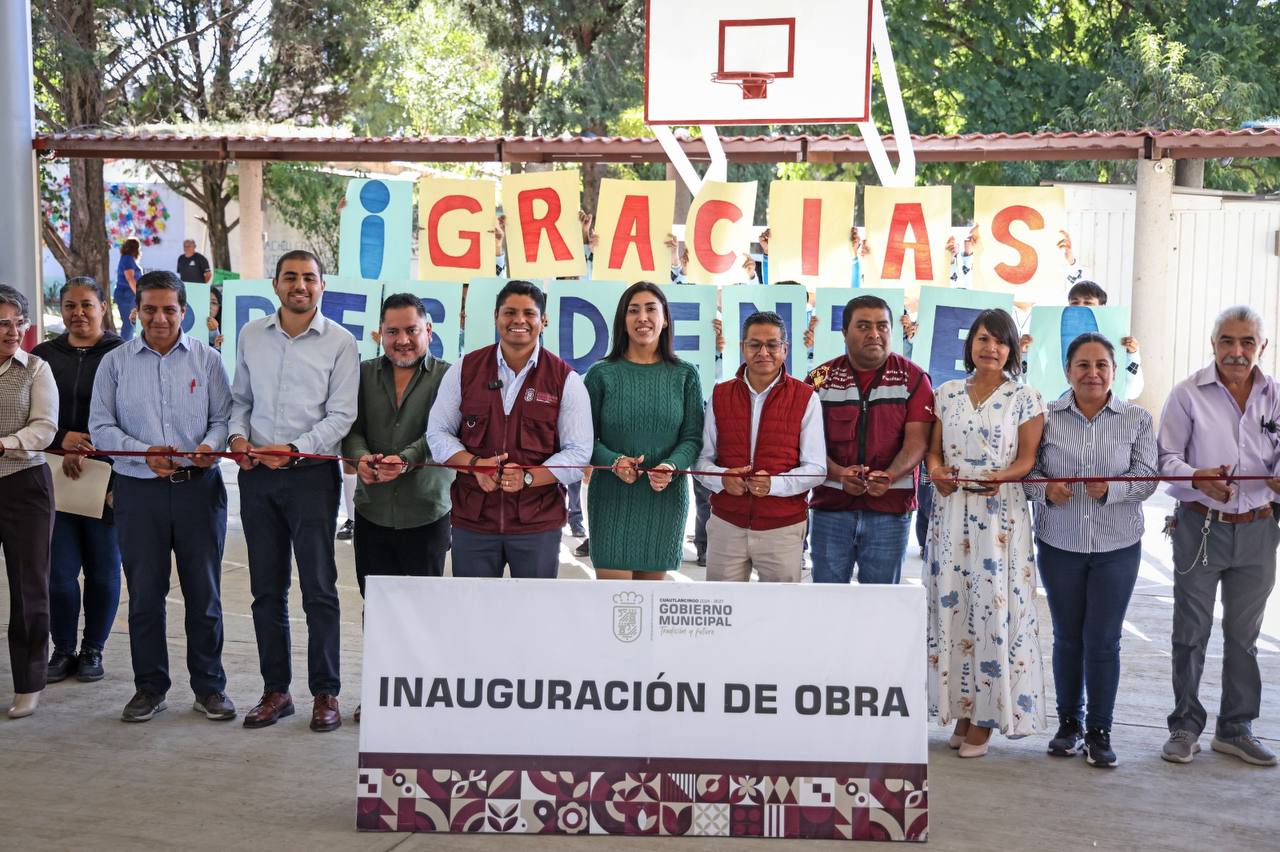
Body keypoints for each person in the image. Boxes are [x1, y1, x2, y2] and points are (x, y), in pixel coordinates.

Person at [88, 271, 235, 724]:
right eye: (149, 308)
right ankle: (149, 688)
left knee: (204, 596)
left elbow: (223, 417)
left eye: (169, 308)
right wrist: (143, 452)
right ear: (136, 311)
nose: (159, 317)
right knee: (146, 596)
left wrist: (210, 447)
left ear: (184, 311)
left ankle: (209, 687)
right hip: (137, 493)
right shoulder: (114, 363)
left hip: (198, 492)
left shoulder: (208, 360)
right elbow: (101, 426)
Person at [229, 249, 359, 732]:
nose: (299, 285)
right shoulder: (250, 335)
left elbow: (341, 415)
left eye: (309, 278)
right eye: (290, 277)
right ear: (275, 284)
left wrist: (295, 449)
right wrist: (237, 438)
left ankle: (325, 693)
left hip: (310, 476)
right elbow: (239, 399)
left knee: (320, 590)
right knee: (266, 590)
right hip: (257, 476)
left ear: (322, 286)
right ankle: (276, 691)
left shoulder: (341, 343)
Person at [1024, 333, 1158, 768]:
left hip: (1117, 547)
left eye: (1102, 365)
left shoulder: (1136, 419)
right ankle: (1069, 724)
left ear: (1114, 372)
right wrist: (1047, 491)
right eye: (1083, 365)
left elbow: (1148, 479)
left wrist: (1112, 491)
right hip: (1060, 544)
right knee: (1066, 638)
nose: (1093, 373)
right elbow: (1028, 473)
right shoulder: (1045, 417)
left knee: (1103, 641)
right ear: (1068, 370)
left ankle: (1100, 731)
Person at [1156, 305, 1280, 767]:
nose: (1236, 351)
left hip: (1260, 528)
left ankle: (1236, 727)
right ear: (1213, 344)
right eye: (1227, 341)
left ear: (1261, 347)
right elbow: (1165, 457)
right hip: (1200, 526)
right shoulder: (1187, 394)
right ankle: (1185, 725)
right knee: (1190, 632)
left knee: (1244, 636)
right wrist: (1195, 478)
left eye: (1247, 342)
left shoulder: (1276, 395)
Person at [925, 308, 1047, 758]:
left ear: (1012, 348)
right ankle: (960, 708)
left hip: (1000, 516)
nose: (990, 347)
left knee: (994, 608)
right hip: (952, 509)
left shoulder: (1026, 397)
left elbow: (1028, 458)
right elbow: (933, 452)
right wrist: (937, 471)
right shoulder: (947, 392)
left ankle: (987, 717)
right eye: (982, 338)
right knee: (955, 606)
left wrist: (1001, 475)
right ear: (970, 344)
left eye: (999, 341)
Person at [426, 280, 591, 579]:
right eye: (509, 312)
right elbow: (437, 433)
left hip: (537, 526)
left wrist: (528, 477)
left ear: (543, 320)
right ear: (496, 316)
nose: (519, 320)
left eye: (529, 313)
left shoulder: (565, 379)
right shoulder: (465, 369)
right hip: (473, 522)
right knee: (474, 616)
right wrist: (474, 466)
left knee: (533, 618)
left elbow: (579, 453)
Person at [33, 277, 124, 684]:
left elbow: (135, 416)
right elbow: (25, 414)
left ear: (103, 307)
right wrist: (61, 439)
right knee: (59, 573)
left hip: (108, 479)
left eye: (87, 304)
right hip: (53, 479)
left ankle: (93, 650)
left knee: (104, 569)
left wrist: (93, 446)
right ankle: (63, 649)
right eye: (70, 305)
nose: (79, 313)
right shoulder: (41, 357)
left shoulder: (122, 354)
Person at [806, 295, 934, 585]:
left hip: (890, 513)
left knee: (881, 604)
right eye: (863, 326)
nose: (874, 334)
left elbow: (918, 443)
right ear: (844, 332)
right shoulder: (818, 378)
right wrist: (839, 474)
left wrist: (889, 475)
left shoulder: (913, 378)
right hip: (830, 509)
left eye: (882, 326)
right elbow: (805, 444)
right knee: (827, 600)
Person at [583, 282, 703, 579]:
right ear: (622, 320)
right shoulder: (601, 374)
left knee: (650, 612)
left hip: (665, 500)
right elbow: (585, 439)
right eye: (633, 310)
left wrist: (671, 466)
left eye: (651, 309)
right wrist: (614, 462)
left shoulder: (685, 375)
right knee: (615, 611)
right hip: (612, 499)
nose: (642, 318)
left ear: (665, 320)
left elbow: (692, 438)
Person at [694, 311, 825, 582]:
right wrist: (722, 479)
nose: (763, 352)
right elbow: (701, 462)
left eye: (772, 344)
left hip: (783, 529)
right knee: (722, 613)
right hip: (726, 525)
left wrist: (774, 485)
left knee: (780, 616)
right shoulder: (720, 394)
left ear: (785, 349)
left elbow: (816, 469)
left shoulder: (806, 397)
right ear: (743, 348)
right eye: (754, 344)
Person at [343, 293, 454, 591]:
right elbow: (351, 430)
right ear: (381, 335)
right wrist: (361, 457)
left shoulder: (450, 377)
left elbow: (445, 434)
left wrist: (405, 461)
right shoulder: (362, 373)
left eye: (411, 330)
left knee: (425, 611)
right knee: (377, 608)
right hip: (371, 512)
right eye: (392, 332)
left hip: (426, 513)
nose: (402, 339)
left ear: (428, 331)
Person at [0, 286, 57, 718]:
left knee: (29, 587)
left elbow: (44, 428)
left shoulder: (36, 368)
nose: (13, 331)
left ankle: (30, 682)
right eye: (3, 323)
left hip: (24, 484)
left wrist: (5, 443)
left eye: (19, 322)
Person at [114, 238, 143, 342]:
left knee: (131, 324)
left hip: (128, 295)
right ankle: (124, 350)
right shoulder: (127, 259)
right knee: (129, 324)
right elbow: (130, 279)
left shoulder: (127, 258)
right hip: (127, 295)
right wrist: (140, 295)